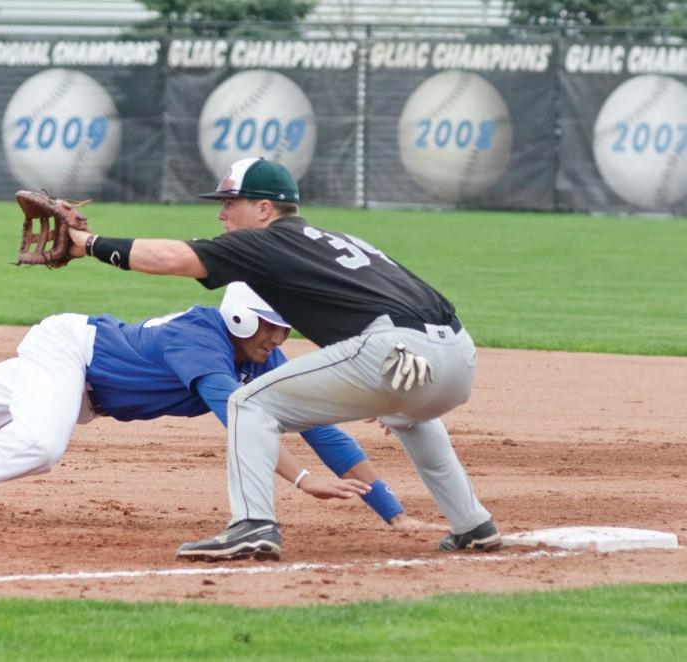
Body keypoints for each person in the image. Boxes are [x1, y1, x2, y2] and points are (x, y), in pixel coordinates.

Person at [66, 156, 501, 561]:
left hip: (393, 349)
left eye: (231, 203)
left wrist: (87, 243)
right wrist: (385, 386)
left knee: (247, 403)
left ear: (265, 209)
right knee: (412, 417)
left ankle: (252, 524)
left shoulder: (266, 243)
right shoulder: (339, 239)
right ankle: (472, 524)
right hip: (456, 356)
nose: (222, 215)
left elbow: (170, 258)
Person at [0, 283, 434, 542]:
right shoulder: (198, 338)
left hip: (83, 384)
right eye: (270, 327)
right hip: (73, 352)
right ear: (240, 315)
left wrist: (393, 512)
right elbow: (238, 417)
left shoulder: (260, 359)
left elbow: (318, 424)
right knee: (38, 442)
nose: (277, 339)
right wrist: (296, 480)